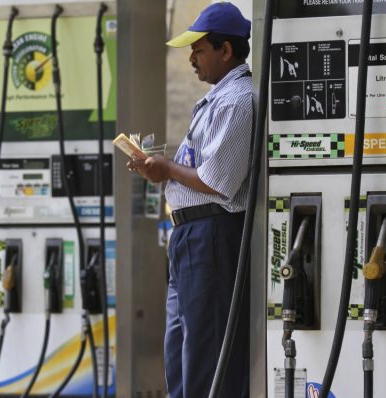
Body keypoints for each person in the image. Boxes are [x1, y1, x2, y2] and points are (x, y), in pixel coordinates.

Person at [127, 2, 251, 398]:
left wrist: (166, 168)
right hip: (190, 237)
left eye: (199, 49)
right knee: (181, 352)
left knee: (205, 354)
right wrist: (158, 169)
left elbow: (218, 181)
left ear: (226, 50)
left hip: (213, 234)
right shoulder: (216, 100)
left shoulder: (238, 101)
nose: (192, 58)